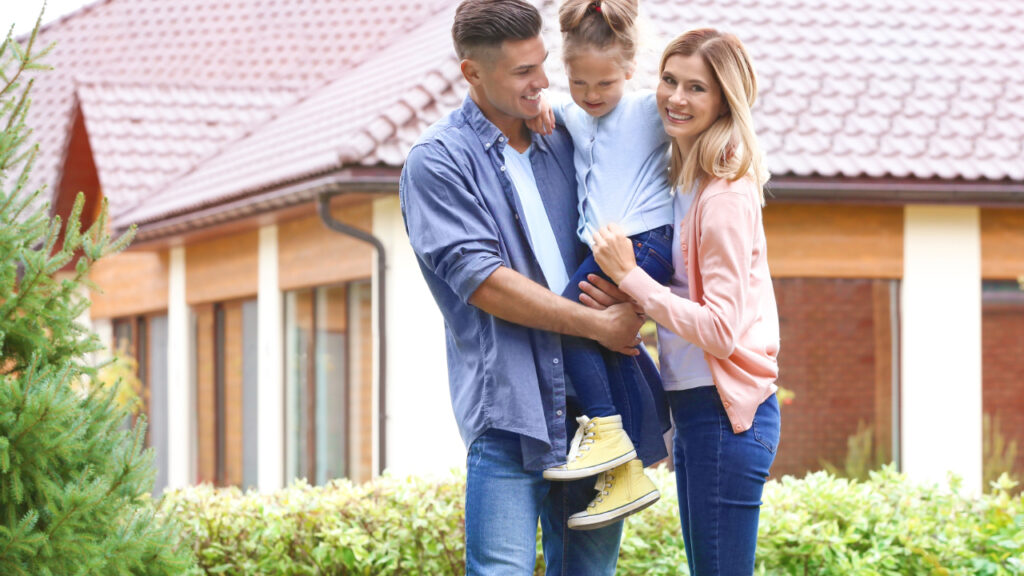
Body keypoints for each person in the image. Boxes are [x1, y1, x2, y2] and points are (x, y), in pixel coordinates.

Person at [399, 0, 668, 573]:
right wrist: (598, 323)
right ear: (473, 72)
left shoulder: (565, 136)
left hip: (594, 416)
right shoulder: (439, 162)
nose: (542, 83)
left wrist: (634, 297)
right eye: (523, 72)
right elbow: (486, 284)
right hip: (511, 412)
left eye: (542, 64)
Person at [587, 28, 782, 575]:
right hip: (696, 409)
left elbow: (721, 329)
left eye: (696, 87)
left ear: (723, 99)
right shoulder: (683, 183)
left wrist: (631, 278)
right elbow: (684, 296)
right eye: (669, 80)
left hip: (724, 414)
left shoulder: (723, 195)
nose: (676, 97)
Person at [524, 0, 673, 530]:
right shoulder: (574, 113)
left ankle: (609, 431)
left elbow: (713, 103)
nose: (591, 95)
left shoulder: (645, 109)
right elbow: (554, 111)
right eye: (579, 82)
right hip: (608, 252)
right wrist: (545, 110)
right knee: (601, 340)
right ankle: (629, 466)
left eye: (604, 84)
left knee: (565, 321)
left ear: (630, 70)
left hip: (643, 243)